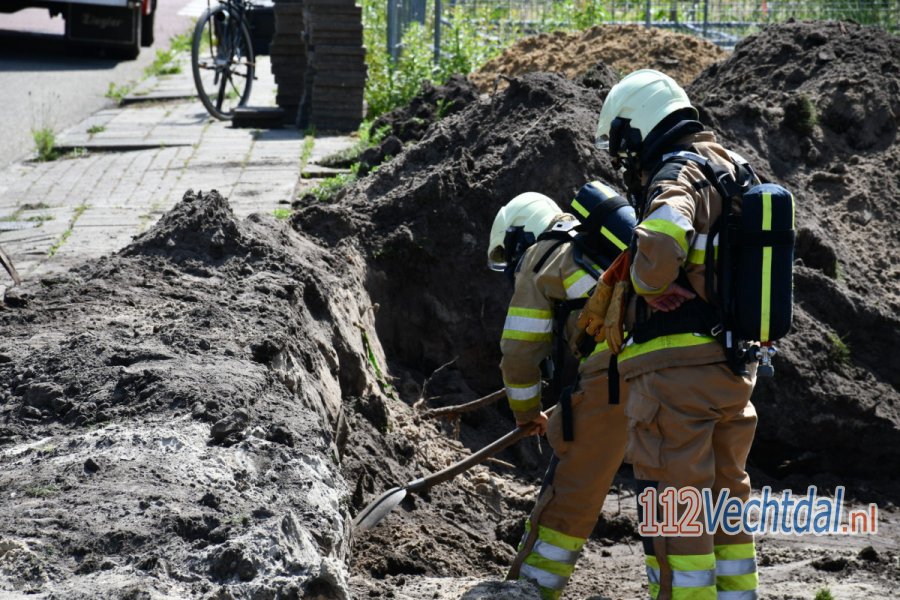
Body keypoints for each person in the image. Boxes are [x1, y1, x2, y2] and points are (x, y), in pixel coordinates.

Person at [580, 69, 759, 600]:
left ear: (639, 127)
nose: (624, 158)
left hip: (675, 372)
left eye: (623, 144)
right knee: (726, 498)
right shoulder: (731, 167)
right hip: (730, 369)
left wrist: (646, 282)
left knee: (674, 501)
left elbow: (660, 239)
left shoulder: (677, 171)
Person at [487, 186, 636, 600]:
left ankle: (531, 589)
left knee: (570, 491)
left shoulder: (542, 256)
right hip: (672, 366)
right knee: (678, 485)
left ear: (519, 237)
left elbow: (519, 354)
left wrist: (527, 413)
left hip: (615, 374)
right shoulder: (592, 248)